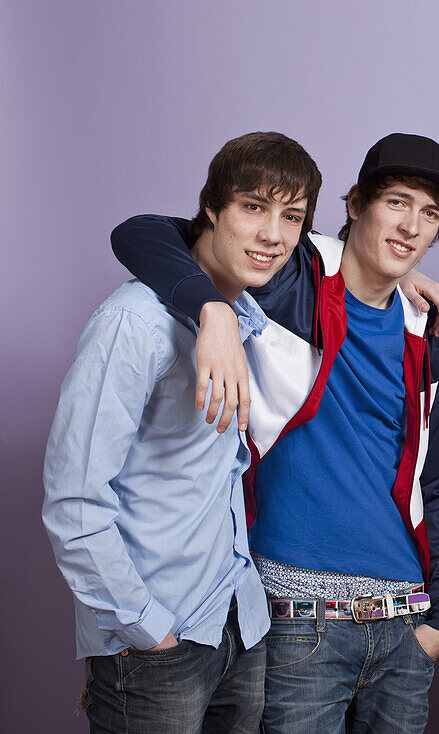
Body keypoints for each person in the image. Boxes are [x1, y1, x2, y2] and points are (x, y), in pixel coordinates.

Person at [110, 133, 439, 733]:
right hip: (298, 621)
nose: (411, 226)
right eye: (398, 202)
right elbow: (140, 233)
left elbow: (435, 480)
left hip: (405, 625)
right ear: (355, 203)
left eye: (430, 213)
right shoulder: (287, 275)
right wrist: (214, 310)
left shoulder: (426, 331)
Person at [43, 131, 322, 732]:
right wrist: (146, 627)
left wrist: (405, 282)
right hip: (155, 643)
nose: (273, 234)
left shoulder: (249, 314)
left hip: (237, 627)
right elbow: (74, 501)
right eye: (253, 207)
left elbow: (364, 257)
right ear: (212, 210)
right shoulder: (133, 325)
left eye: (291, 216)